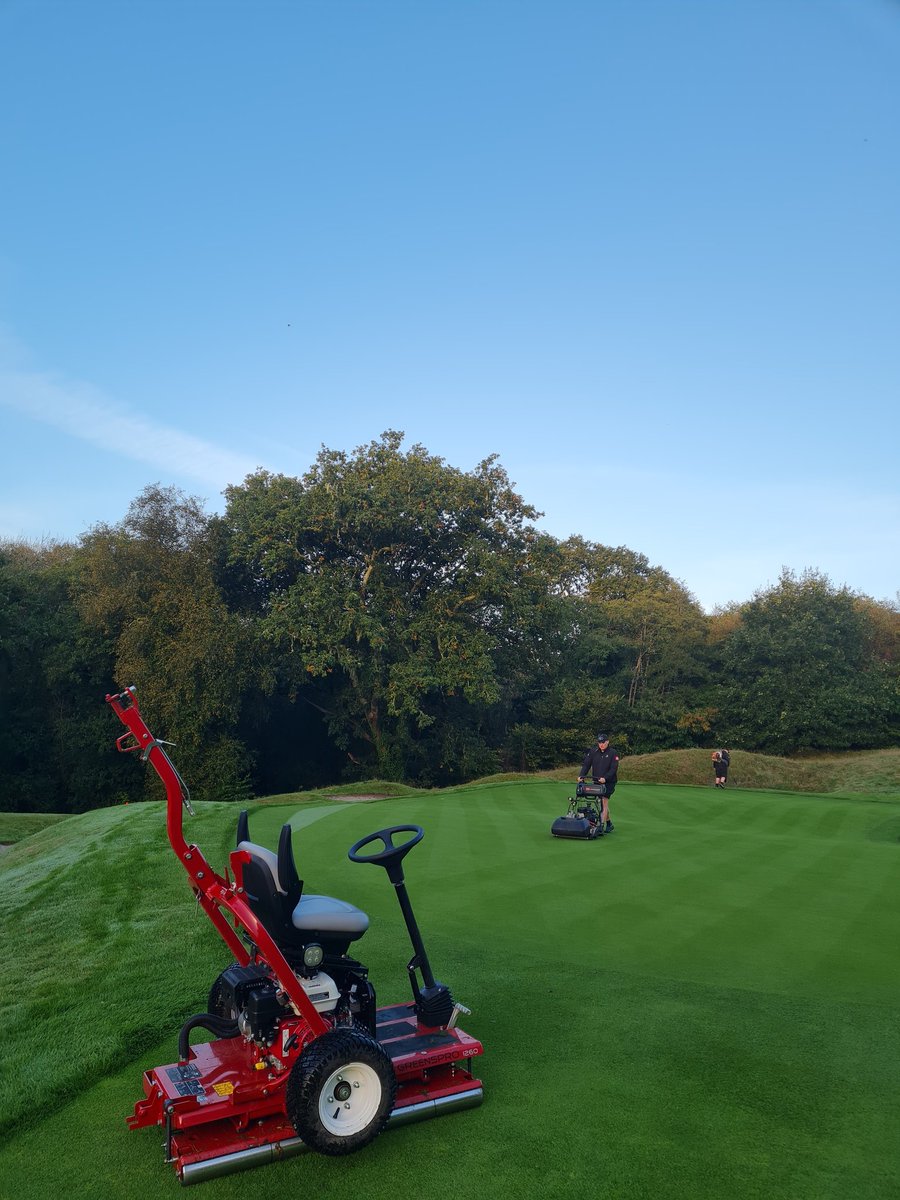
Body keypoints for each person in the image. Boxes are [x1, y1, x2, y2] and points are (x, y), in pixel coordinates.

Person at [578, 733, 619, 833]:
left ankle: (601, 826)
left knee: (604, 801)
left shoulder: (613, 753)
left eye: (603, 742)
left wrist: (605, 778)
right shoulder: (593, 752)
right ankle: (609, 823)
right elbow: (586, 765)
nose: (601, 744)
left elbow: (613, 768)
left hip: (609, 782)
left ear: (607, 742)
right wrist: (581, 776)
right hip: (596, 781)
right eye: (600, 742)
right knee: (601, 803)